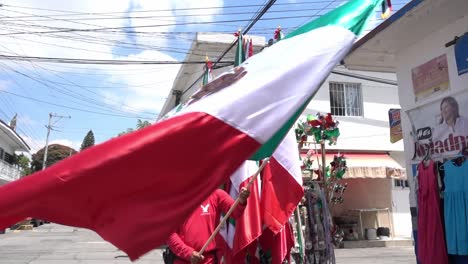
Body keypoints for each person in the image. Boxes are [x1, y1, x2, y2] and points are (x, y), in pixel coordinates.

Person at [166, 187, 250, 264]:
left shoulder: (216, 194)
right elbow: (168, 234)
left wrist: (241, 200)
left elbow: (235, 212)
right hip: (182, 260)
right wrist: (188, 253)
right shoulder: (175, 199)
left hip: (209, 260)